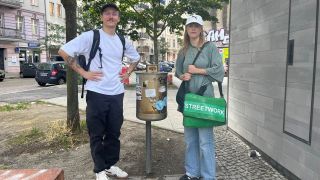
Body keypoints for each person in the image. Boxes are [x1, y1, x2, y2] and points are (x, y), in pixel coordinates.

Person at [58, 3, 140, 180]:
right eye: (107, 14)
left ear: (118, 18)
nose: (111, 17)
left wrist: (128, 73)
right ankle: (99, 170)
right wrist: (83, 73)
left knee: (114, 132)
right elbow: (63, 51)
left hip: (117, 93)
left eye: (114, 14)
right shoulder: (91, 36)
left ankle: (110, 165)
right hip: (96, 93)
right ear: (102, 17)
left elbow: (136, 58)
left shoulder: (122, 40)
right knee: (96, 132)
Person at [175, 14, 224, 180]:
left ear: (201, 29)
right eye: (190, 26)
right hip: (189, 98)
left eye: (196, 25)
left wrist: (197, 71)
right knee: (190, 139)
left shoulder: (210, 48)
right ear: (186, 30)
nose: (193, 28)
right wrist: (183, 76)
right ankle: (192, 173)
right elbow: (178, 71)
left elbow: (219, 70)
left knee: (205, 141)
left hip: (204, 98)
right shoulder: (183, 51)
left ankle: (209, 176)